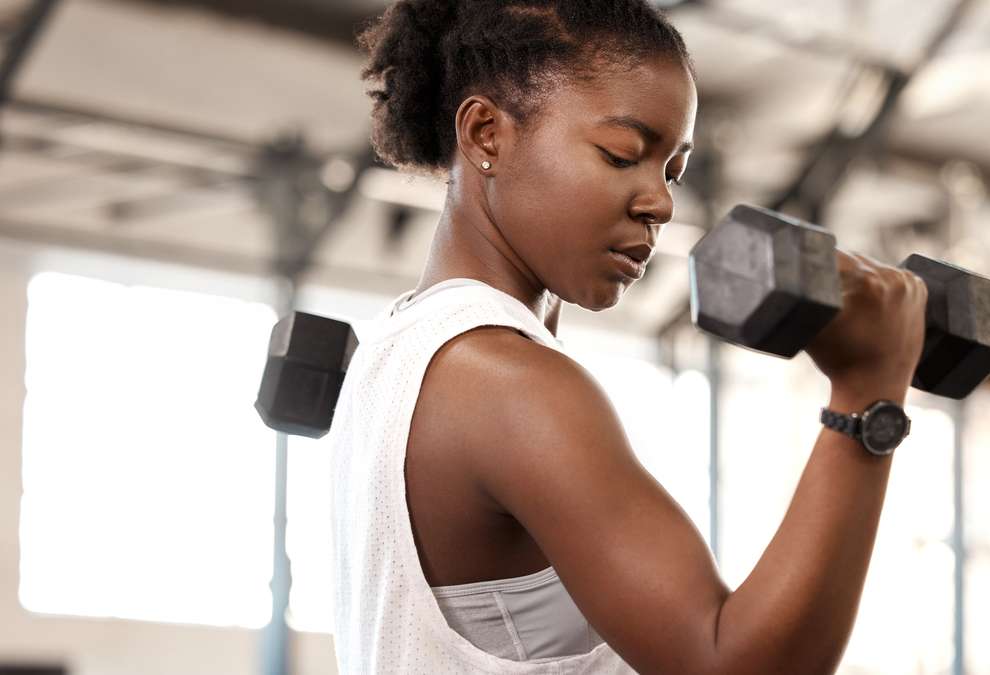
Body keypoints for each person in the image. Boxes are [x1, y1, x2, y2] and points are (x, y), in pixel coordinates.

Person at [329, 1, 928, 673]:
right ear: (487, 133)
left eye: (671, 170)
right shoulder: (507, 382)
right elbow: (729, 662)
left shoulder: (391, 352)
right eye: (621, 155)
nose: (663, 203)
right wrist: (868, 396)